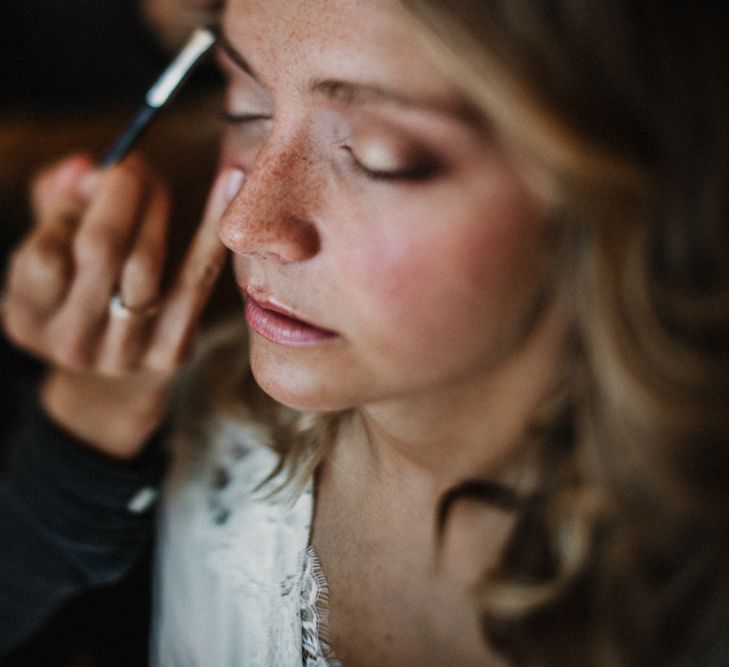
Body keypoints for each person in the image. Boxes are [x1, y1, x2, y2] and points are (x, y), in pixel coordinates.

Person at [2, 1, 728, 665]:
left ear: (607, 193)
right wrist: (86, 422)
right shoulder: (202, 432)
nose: (245, 223)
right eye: (248, 107)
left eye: (377, 155)